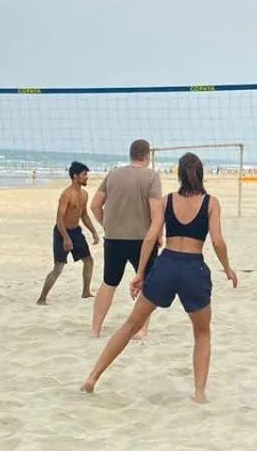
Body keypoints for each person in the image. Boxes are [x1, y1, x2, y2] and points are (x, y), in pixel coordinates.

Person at [82, 153, 238, 402]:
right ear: (201, 174)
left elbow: (150, 237)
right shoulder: (211, 203)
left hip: (166, 265)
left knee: (131, 324)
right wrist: (227, 268)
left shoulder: (167, 201)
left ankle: (92, 377)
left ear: (179, 174)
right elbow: (217, 241)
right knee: (202, 333)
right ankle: (199, 394)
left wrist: (141, 273)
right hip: (193, 269)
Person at [89, 138, 163, 337]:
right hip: (142, 239)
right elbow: (157, 212)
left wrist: (106, 224)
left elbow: (95, 205)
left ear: (131, 154)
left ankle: (95, 329)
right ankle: (140, 330)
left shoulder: (113, 174)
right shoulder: (151, 177)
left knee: (109, 282)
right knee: (147, 283)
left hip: (114, 238)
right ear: (147, 156)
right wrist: (158, 235)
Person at [38, 161, 101, 304]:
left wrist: (94, 232)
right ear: (75, 176)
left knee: (89, 261)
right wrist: (66, 238)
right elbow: (59, 219)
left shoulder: (84, 194)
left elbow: (84, 215)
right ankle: (42, 299)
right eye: (84, 175)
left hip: (76, 232)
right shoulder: (66, 195)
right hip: (62, 232)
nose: (87, 177)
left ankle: (86, 292)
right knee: (58, 268)